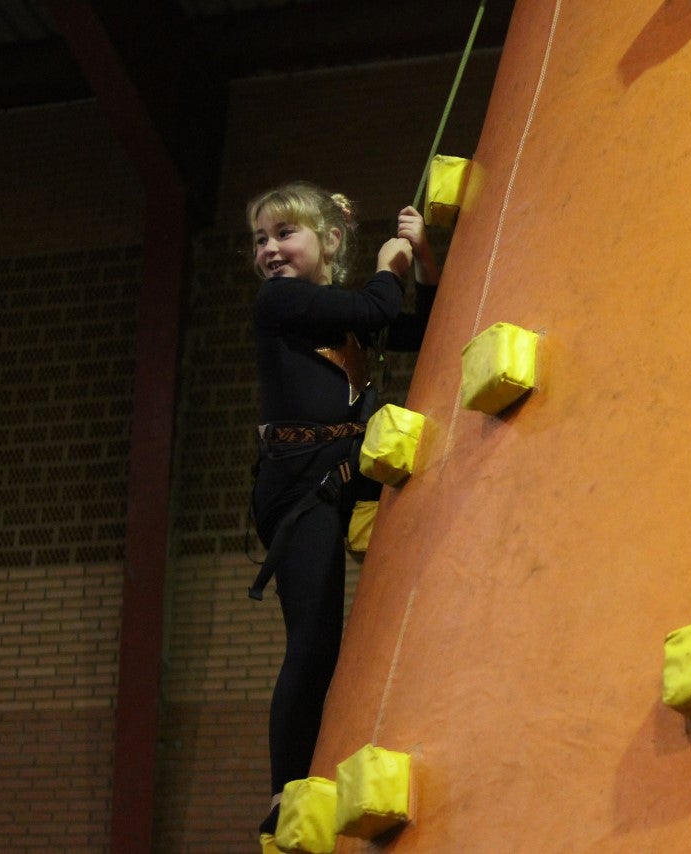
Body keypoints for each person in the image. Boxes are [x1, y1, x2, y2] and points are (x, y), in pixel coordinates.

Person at [245, 181, 439, 837]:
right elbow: (379, 306)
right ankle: (284, 791)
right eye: (261, 239)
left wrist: (425, 261)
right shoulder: (283, 302)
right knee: (315, 637)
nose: (269, 249)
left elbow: (427, 324)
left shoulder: (338, 314)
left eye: (284, 234)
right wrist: (391, 268)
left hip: (341, 472)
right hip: (301, 483)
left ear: (328, 241)